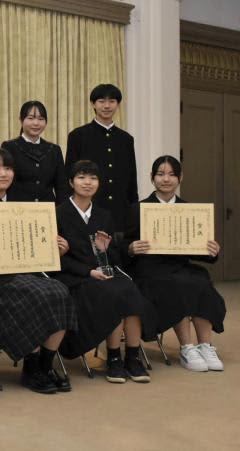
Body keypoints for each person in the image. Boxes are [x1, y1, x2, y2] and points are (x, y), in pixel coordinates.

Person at [0, 147, 77, 394]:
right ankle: (31, 368)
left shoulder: (22, 206)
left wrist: (55, 252)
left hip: (22, 276)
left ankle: (44, 365)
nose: (3, 174)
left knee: (60, 291)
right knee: (34, 296)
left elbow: (32, 250)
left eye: (8, 168)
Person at [55, 160, 156, 384]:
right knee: (113, 294)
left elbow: (114, 259)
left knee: (129, 289)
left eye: (93, 178)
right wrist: (88, 271)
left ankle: (132, 356)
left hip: (103, 273)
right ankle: (113, 358)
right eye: (81, 177)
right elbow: (57, 260)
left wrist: (104, 250)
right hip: (75, 278)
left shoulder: (104, 215)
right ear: (71, 182)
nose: (87, 182)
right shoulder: (58, 214)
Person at [123, 155, 225, 371]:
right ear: (152, 178)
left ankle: (205, 346)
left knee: (201, 281)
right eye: (160, 174)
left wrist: (211, 250)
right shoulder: (138, 209)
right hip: (149, 270)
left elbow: (197, 248)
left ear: (180, 178)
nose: (166, 179)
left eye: (171, 174)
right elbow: (122, 246)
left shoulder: (189, 210)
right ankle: (187, 348)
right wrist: (130, 248)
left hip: (179, 266)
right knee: (178, 285)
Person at [65, 84, 137, 233]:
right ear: (93, 104)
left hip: (119, 213)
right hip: (88, 211)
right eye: (101, 101)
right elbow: (69, 177)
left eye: (112, 101)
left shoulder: (126, 139)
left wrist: (132, 210)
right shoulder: (78, 136)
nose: (107, 106)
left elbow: (131, 179)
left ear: (118, 104)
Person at [1, 100, 68, 203]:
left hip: (48, 208)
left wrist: (61, 210)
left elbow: (61, 187)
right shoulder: (9, 147)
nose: (36, 123)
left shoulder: (54, 150)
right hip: (18, 208)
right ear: (21, 120)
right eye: (31, 118)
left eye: (41, 119)